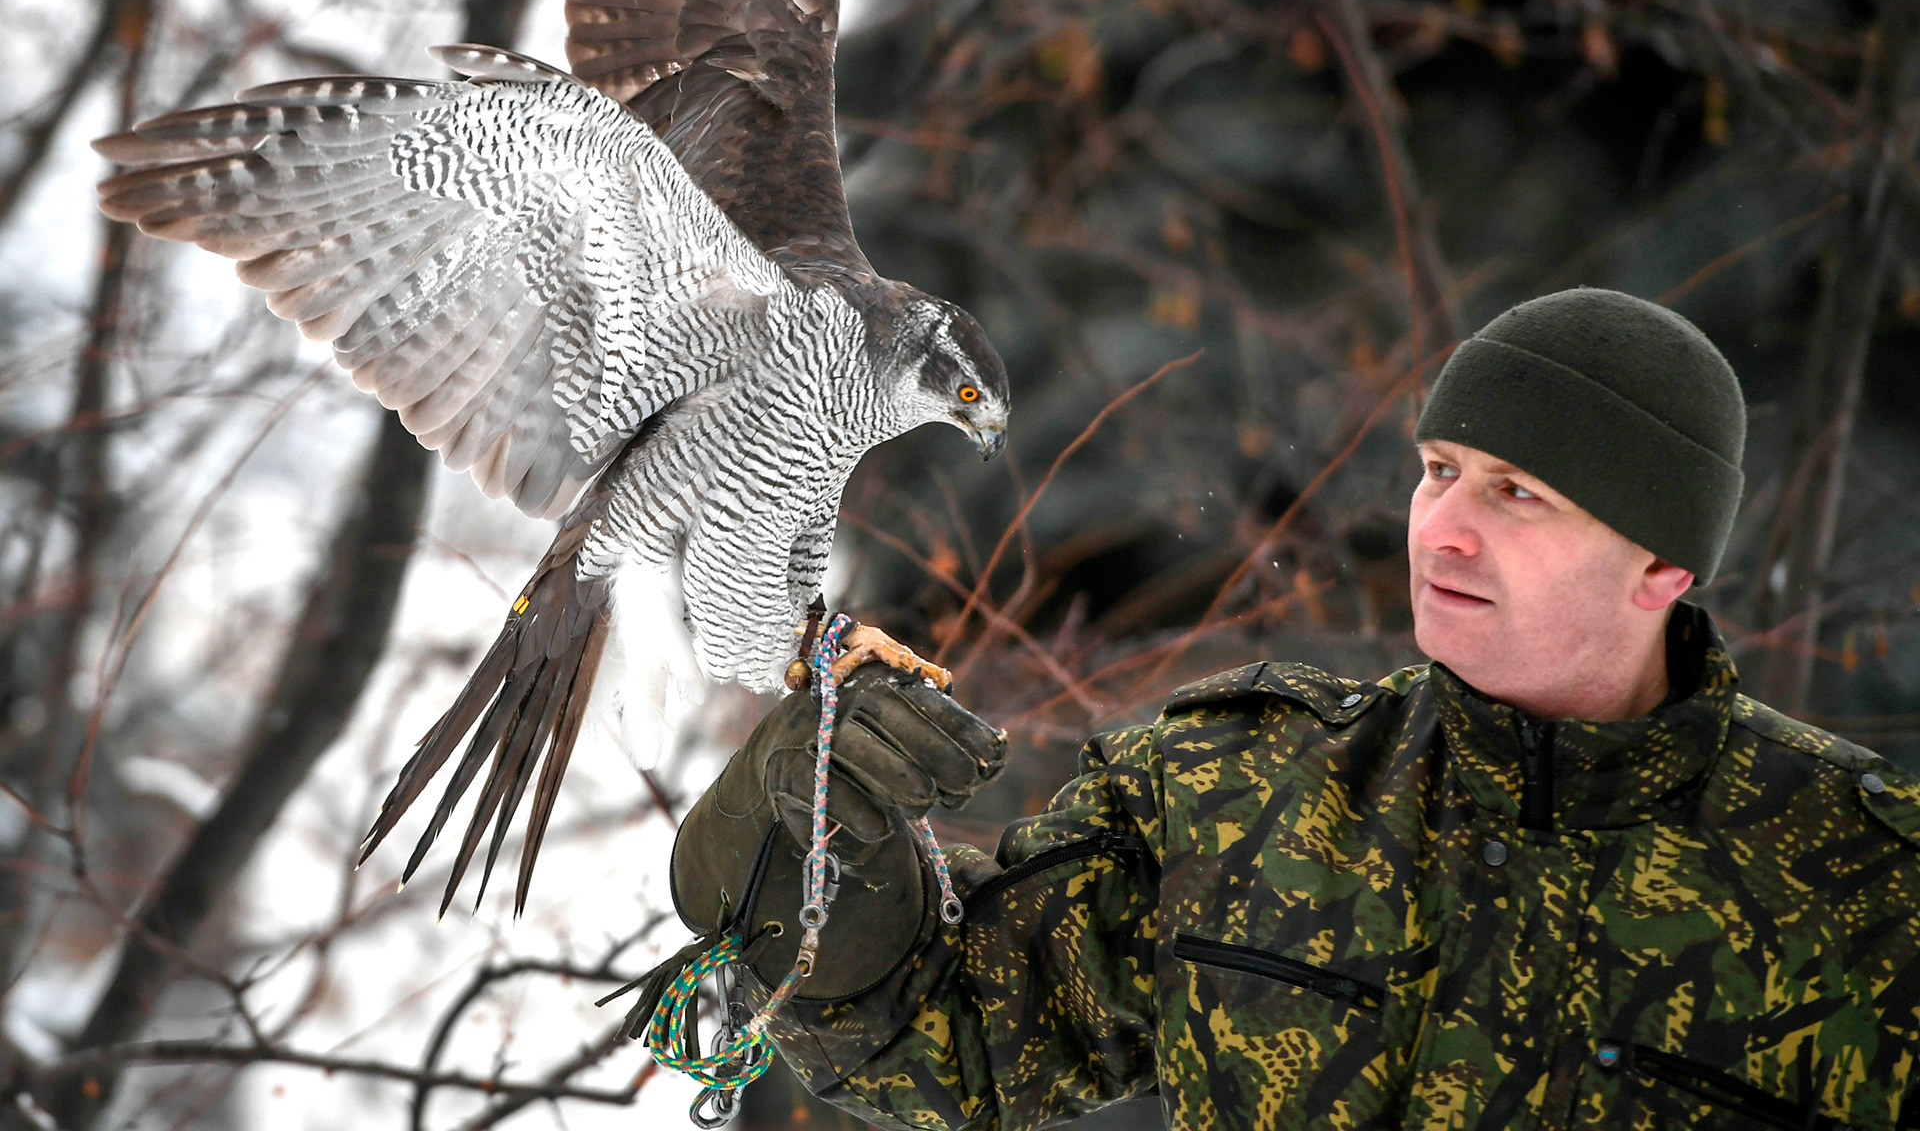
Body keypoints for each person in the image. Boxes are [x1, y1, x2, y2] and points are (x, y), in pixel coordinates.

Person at [663, 288, 1920, 1130]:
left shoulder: (1864, 888)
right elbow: (938, 1042)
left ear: (1663, 568)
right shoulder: (1236, 789)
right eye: (1439, 473)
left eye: (1518, 493)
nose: (1448, 531)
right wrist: (811, 825)